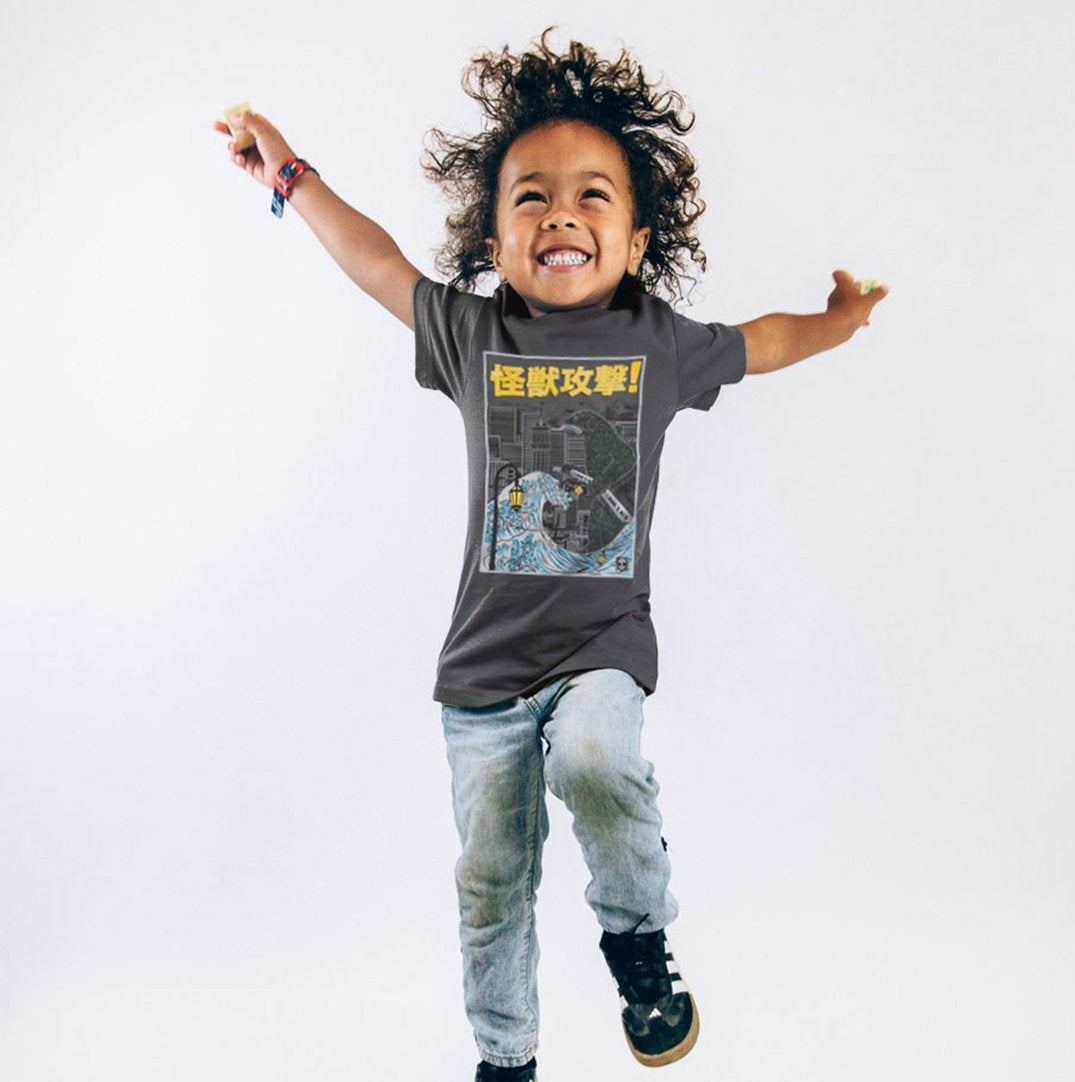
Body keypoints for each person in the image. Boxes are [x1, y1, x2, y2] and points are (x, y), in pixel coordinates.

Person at [215, 26, 888, 1082]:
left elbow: (763, 339)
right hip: (481, 672)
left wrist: (837, 320)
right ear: (494, 241)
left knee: (594, 758)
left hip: (599, 647)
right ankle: (505, 1058)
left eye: (590, 198)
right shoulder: (473, 337)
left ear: (634, 241)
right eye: (530, 198)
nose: (560, 214)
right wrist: (290, 173)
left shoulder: (658, 342)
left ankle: (638, 944)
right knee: (490, 882)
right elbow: (377, 262)